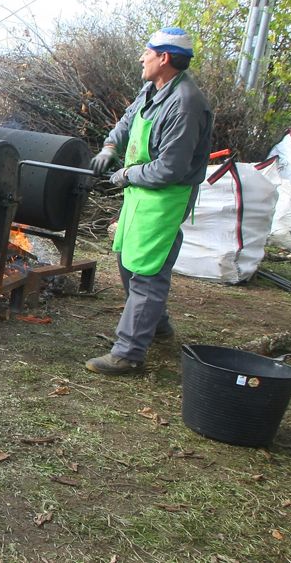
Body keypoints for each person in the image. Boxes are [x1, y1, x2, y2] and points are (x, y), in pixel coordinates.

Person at [85, 27, 213, 376]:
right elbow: (129, 119)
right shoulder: (154, 88)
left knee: (147, 272)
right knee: (128, 259)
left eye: (148, 52)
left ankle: (128, 353)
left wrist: (126, 175)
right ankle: (156, 325)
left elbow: (170, 169)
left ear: (164, 58)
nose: (142, 57)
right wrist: (110, 146)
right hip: (141, 192)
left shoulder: (185, 104)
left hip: (165, 196)